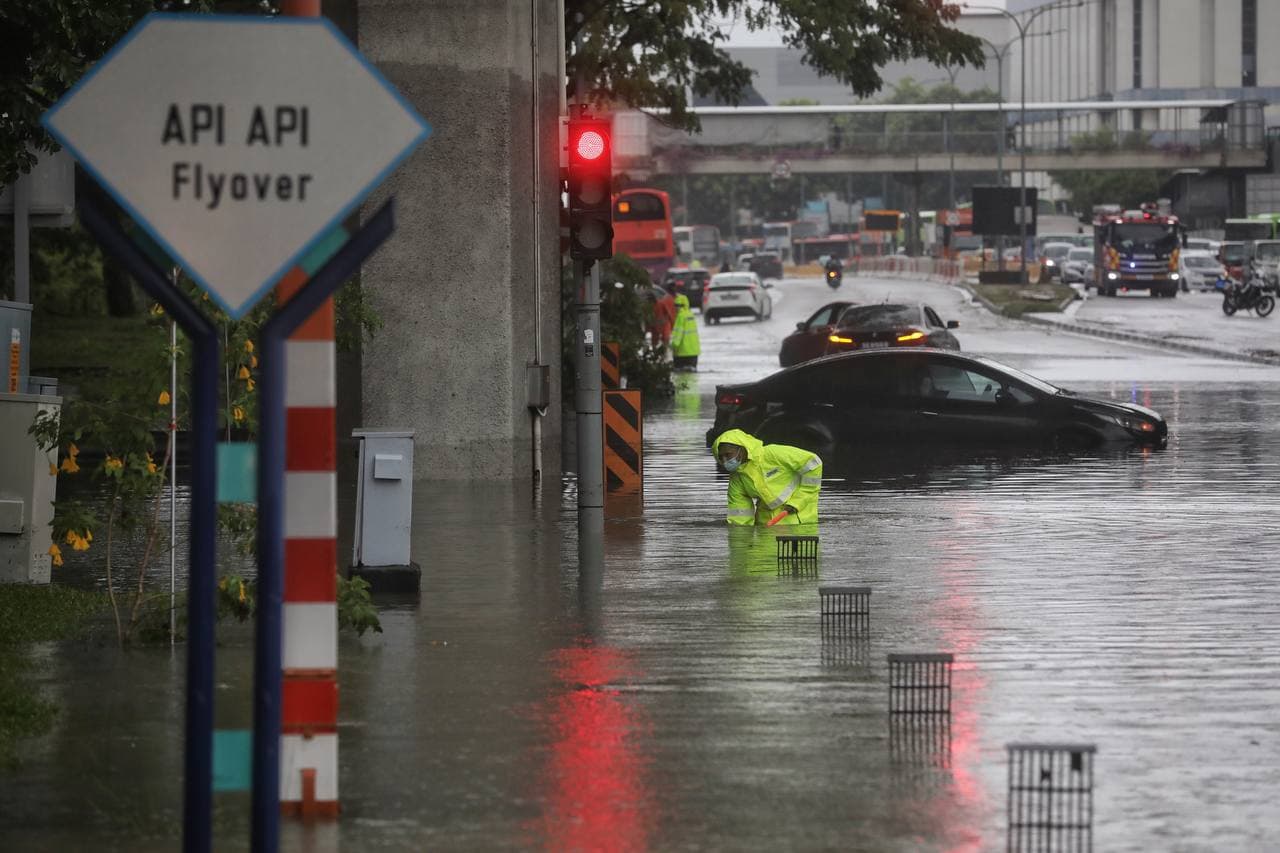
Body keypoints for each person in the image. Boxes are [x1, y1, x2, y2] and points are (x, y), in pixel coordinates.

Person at [710, 429, 822, 526]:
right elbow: (740, 518)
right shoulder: (737, 480)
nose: (725, 461)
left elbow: (813, 464)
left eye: (728, 455)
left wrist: (798, 501)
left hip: (801, 522)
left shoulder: (773, 454)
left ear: (742, 448)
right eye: (721, 457)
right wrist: (740, 538)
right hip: (766, 527)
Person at [670, 293, 700, 370]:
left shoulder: (680, 316)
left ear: (681, 306)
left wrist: (672, 347)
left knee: (681, 378)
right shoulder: (691, 315)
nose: (675, 308)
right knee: (692, 376)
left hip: (682, 353)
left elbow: (678, 335)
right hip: (694, 352)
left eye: (677, 306)